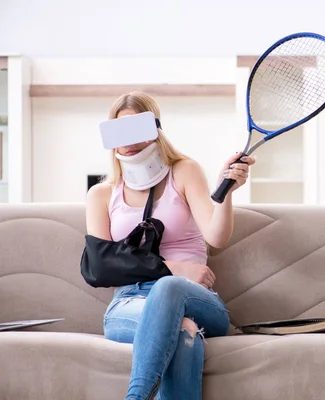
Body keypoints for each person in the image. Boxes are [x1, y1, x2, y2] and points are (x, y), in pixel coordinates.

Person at [85, 91, 255, 400]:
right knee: (180, 329)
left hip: (194, 298)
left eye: (138, 129)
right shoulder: (101, 194)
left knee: (168, 287)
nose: (130, 141)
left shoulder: (184, 172)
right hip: (129, 303)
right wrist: (174, 267)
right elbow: (99, 265)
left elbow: (216, 237)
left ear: (155, 129)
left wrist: (227, 190)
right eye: (120, 131)